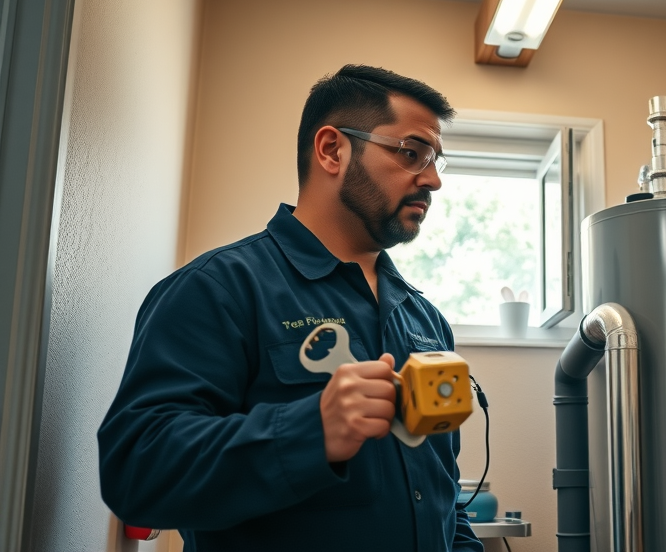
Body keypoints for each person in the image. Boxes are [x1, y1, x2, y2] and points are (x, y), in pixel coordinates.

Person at [98, 65, 483, 552]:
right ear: (332, 150)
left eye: (436, 161)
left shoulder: (425, 319)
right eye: (412, 153)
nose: (432, 180)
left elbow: (441, 494)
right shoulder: (218, 289)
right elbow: (137, 475)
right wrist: (312, 430)